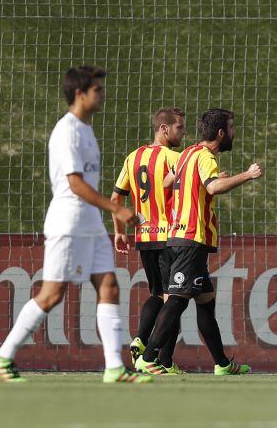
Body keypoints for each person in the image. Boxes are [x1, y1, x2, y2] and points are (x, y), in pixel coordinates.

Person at [0, 65, 151, 384]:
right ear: (80, 94)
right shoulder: (67, 131)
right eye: (97, 90)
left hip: (90, 224)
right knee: (52, 294)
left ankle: (114, 368)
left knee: (109, 285)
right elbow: (75, 184)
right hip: (68, 224)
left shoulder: (87, 129)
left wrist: (107, 212)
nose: (102, 95)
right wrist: (115, 209)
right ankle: (2, 356)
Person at [135, 109, 263, 376]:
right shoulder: (205, 157)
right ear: (220, 133)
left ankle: (222, 364)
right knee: (178, 299)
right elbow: (214, 187)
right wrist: (247, 175)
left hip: (183, 237)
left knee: (205, 302)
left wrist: (195, 183)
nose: (233, 132)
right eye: (231, 127)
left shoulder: (188, 153)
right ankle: (148, 357)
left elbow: (169, 181)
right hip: (190, 238)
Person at [111, 107, 186, 374]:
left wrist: (119, 230)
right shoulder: (173, 157)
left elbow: (116, 198)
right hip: (169, 236)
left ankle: (142, 340)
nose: (183, 132)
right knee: (175, 298)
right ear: (164, 129)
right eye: (179, 128)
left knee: (158, 293)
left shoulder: (133, 157)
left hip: (144, 236)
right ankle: (161, 359)